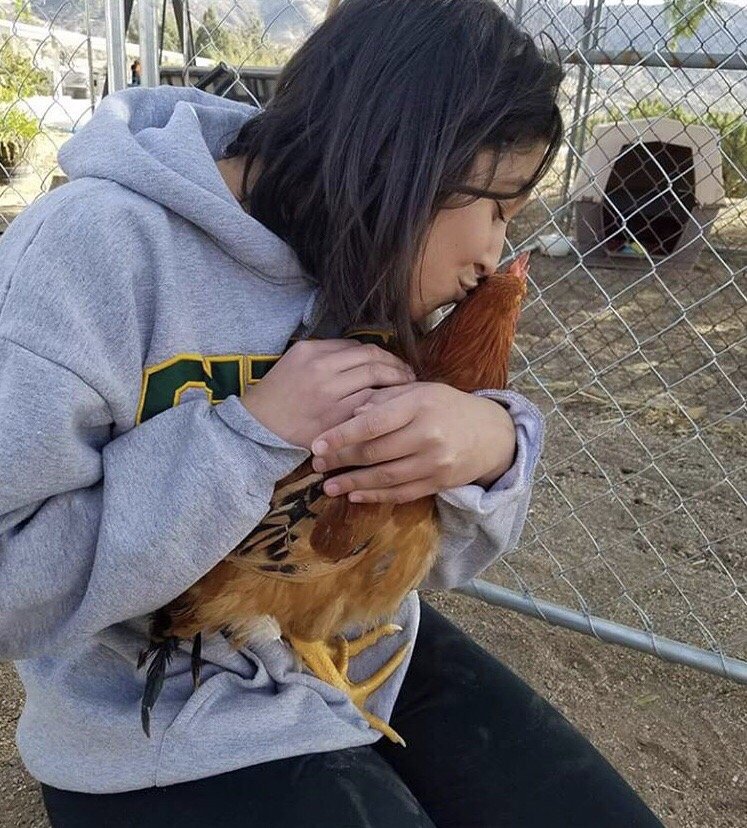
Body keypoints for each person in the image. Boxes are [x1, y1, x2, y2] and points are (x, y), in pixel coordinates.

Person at [0, 0, 663, 825]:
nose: (492, 252)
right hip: (153, 709)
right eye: (491, 206)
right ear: (397, 166)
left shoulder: (368, 254)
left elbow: (423, 562)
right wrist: (248, 436)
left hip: (359, 649)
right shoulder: (93, 254)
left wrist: (489, 448)